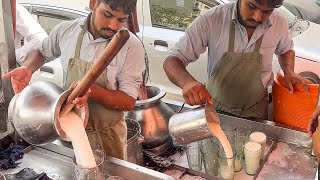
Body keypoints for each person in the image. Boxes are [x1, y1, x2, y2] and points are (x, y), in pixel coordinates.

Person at [3, 0, 145, 160]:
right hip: (67, 129)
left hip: (107, 137)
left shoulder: (131, 46)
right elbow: (42, 51)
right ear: (93, 4)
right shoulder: (66, 31)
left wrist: (92, 92)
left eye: (121, 20)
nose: (113, 26)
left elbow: (128, 101)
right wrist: (28, 67)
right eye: (107, 15)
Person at [163, 0, 310, 119]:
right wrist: (187, 82)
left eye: (267, 11)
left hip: (257, 110)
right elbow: (173, 60)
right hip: (215, 108)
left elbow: (285, 49)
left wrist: (289, 71)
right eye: (252, 6)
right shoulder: (212, 20)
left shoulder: (279, 22)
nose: (257, 17)